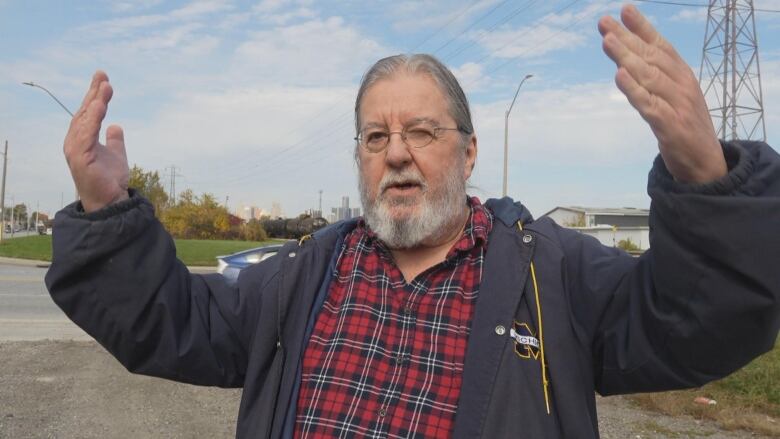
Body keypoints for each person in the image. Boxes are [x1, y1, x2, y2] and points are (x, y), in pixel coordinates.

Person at [46, 5, 779, 439]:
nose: (395, 154)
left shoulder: (552, 274)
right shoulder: (304, 273)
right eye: (374, 136)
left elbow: (697, 325)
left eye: (421, 132)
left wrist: (705, 178)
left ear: (468, 151)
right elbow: (170, 322)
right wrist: (109, 212)